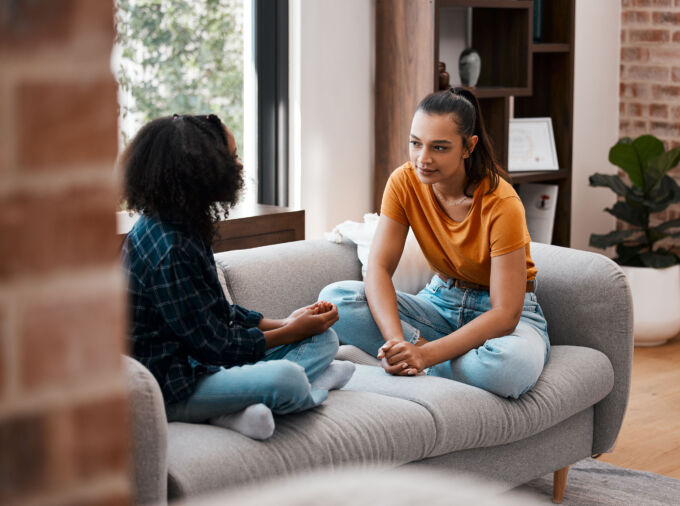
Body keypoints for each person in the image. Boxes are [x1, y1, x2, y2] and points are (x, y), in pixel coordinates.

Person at [121, 114, 354, 440]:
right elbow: (216, 345)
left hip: (203, 365)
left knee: (324, 339)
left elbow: (220, 314)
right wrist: (289, 334)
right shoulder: (168, 248)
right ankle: (305, 389)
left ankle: (238, 407)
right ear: (198, 171)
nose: (240, 166)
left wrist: (288, 323)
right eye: (231, 158)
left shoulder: (185, 225)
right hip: (173, 388)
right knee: (285, 380)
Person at [320, 88, 549, 399]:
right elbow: (378, 267)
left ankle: (424, 362)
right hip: (440, 303)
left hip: (504, 315)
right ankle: (412, 358)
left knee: (509, 366)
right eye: (416, 143)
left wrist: (426, 356)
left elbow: (506, 313)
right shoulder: (403, 182)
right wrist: (398, 343)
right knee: (337, 299)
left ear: (469, 147)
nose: (422, 159)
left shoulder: (503, 203)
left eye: (439, 147)